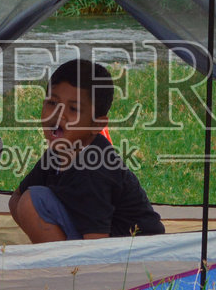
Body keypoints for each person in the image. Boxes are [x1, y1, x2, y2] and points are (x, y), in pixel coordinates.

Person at [9, 59, 165, 242]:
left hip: (135, 252)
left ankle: (66, 268)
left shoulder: (94, 169)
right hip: (98, 243)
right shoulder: (58, 152)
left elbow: (97, 244)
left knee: (32, 201)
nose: (58, 114)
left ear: (97, 125)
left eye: (73, 109)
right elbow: (15, 199)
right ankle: (60, 259)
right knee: (25, 202)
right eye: (52, 103)